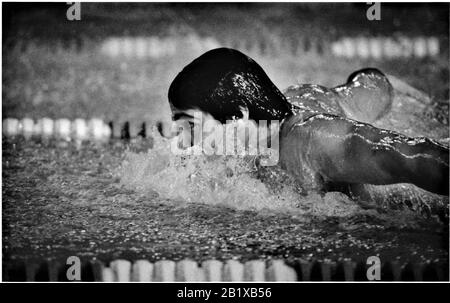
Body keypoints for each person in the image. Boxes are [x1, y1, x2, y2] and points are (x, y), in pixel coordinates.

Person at [168, 47, 449, 196]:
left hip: (329, 111)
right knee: (368, 87)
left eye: (190, 125)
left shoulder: (317, 142)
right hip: (322, 97)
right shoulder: (247, 147)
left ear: (238, 116)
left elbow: (414, 157)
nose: (181, 138)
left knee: (376, 91)